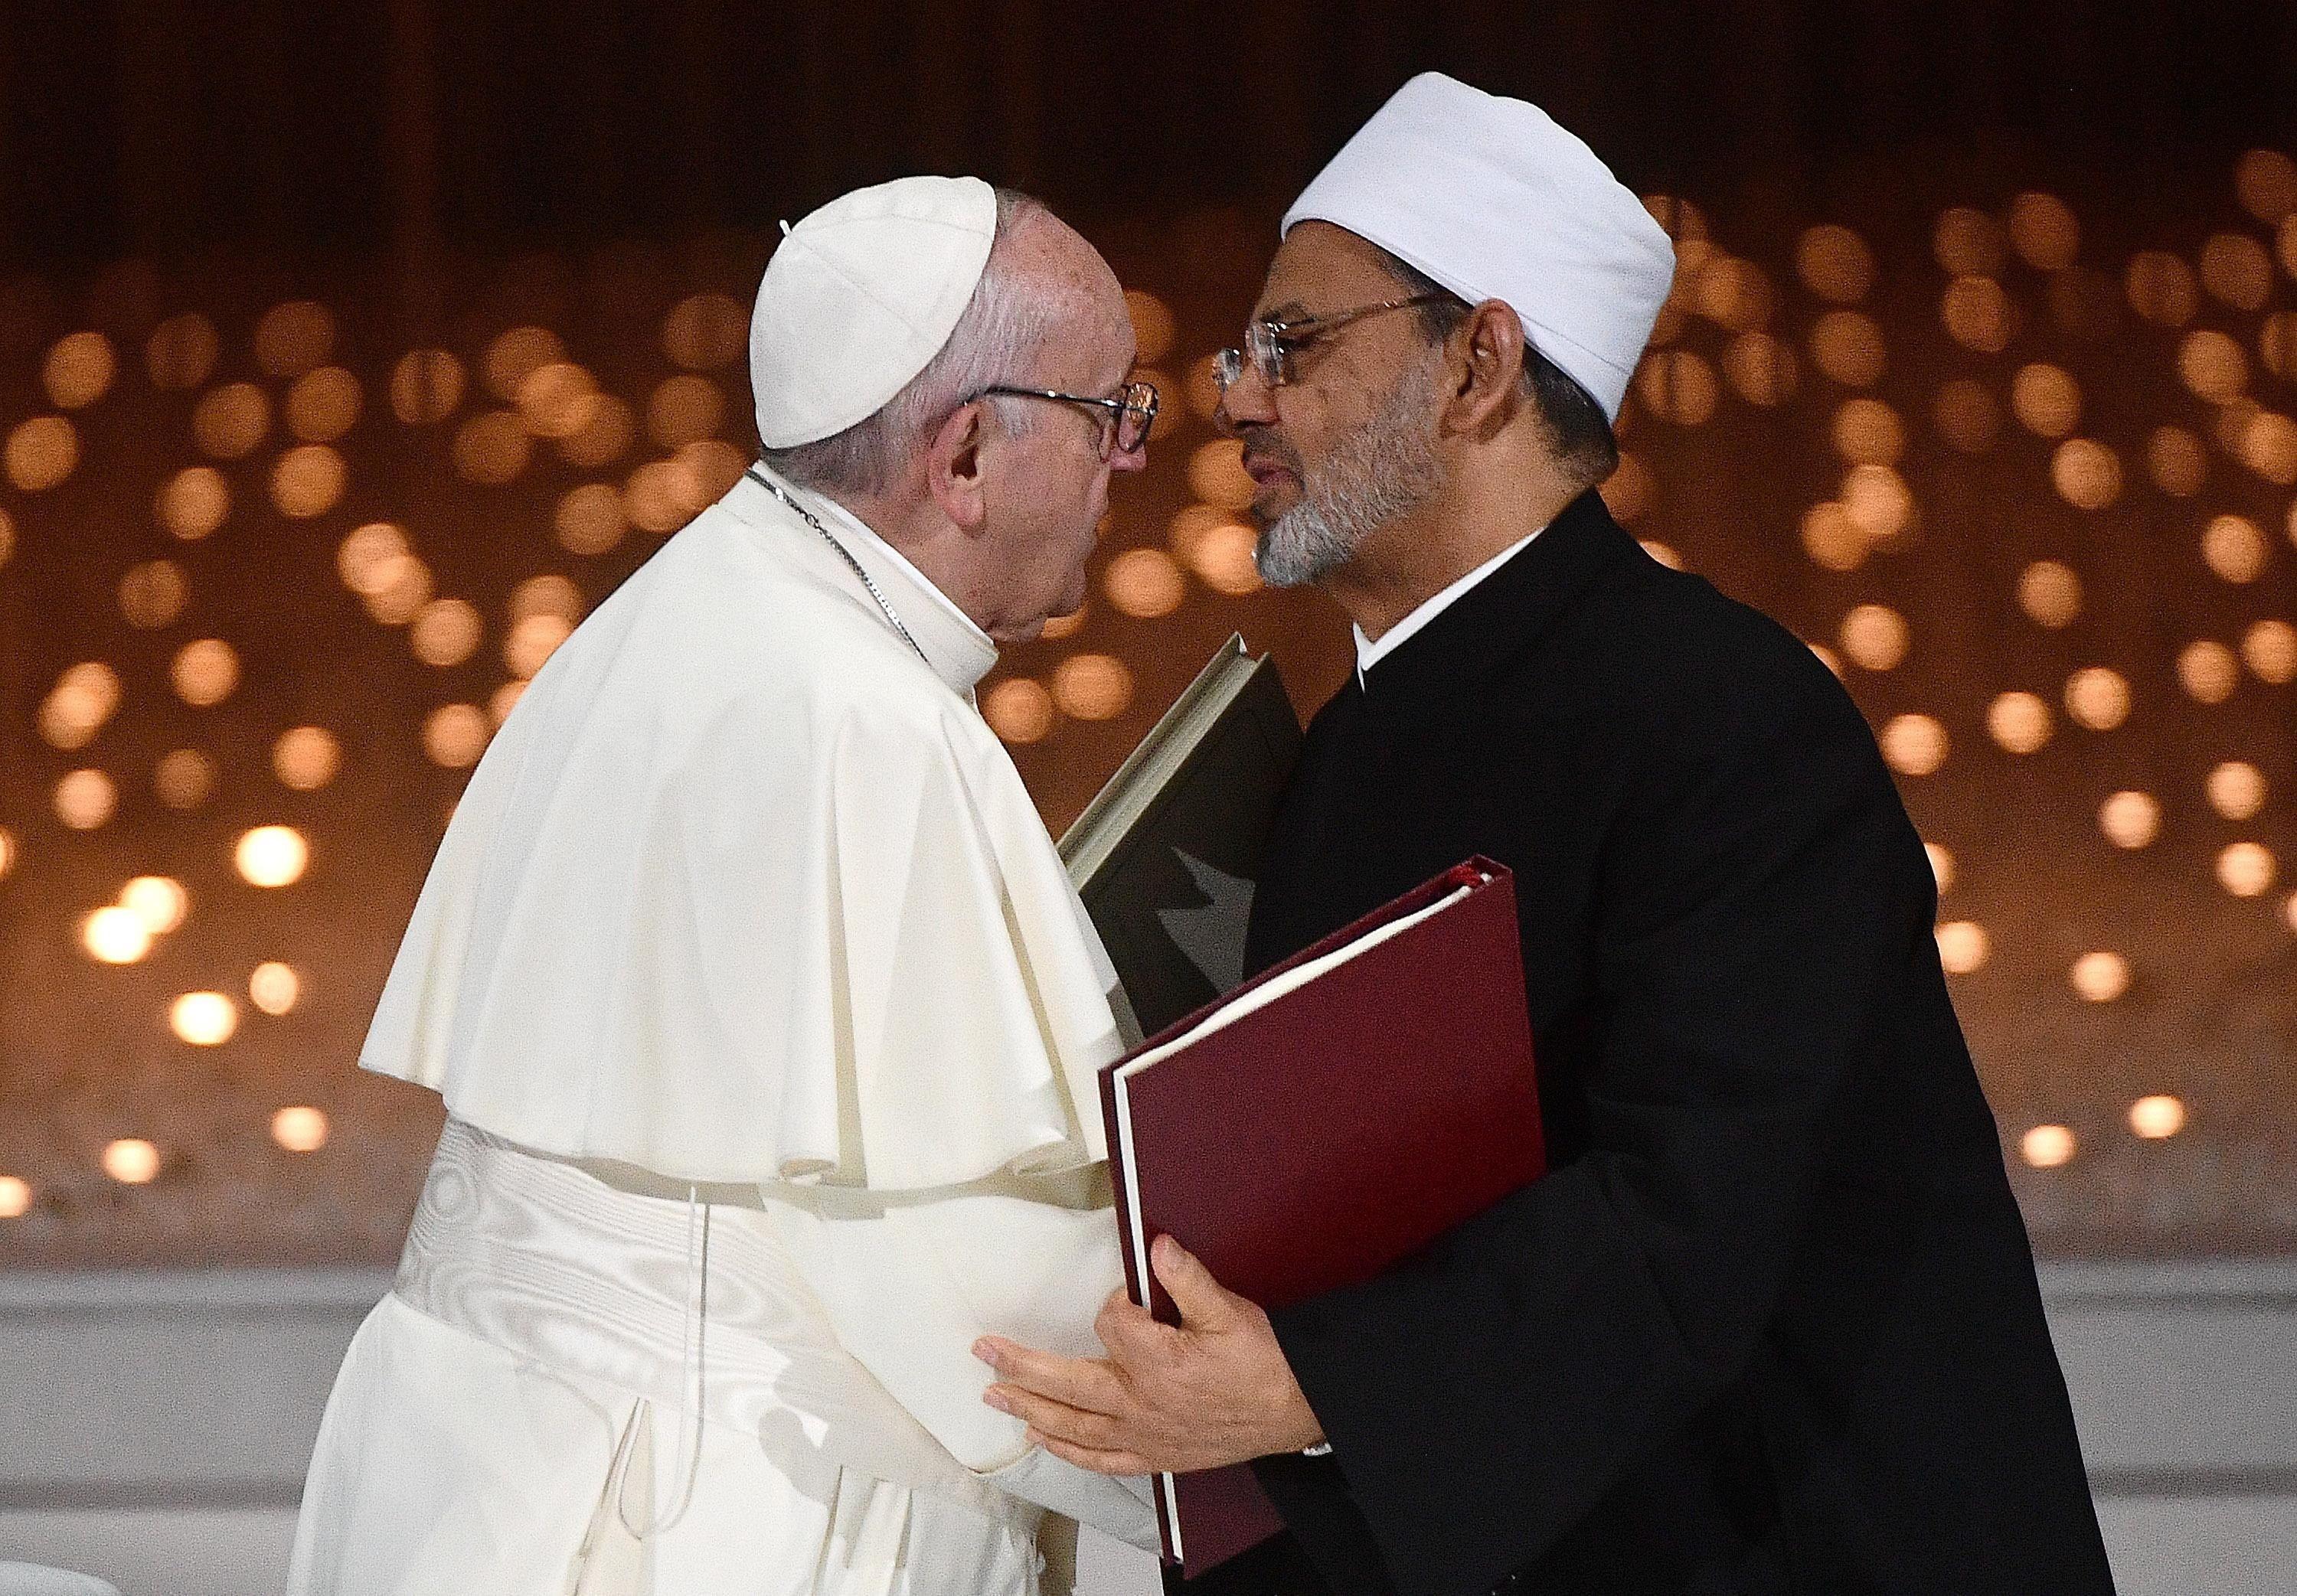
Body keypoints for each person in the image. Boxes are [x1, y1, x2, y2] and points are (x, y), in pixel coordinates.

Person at [977, 75, 2119, 1596]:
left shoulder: (1733, 724)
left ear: (1480, 366)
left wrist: (1311, 1381)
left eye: (1295, 342)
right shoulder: (1342, 759)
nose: (1240, 395)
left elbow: (1689, 1214)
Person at [289, 175, 1165, 1596]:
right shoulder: (865, 722)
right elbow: (978, 1292)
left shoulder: (680, 606)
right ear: (962, 457)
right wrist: (1294, 1395)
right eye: (1112, 414)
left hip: (476, 1478)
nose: (1132, 458)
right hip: (706, 1523)